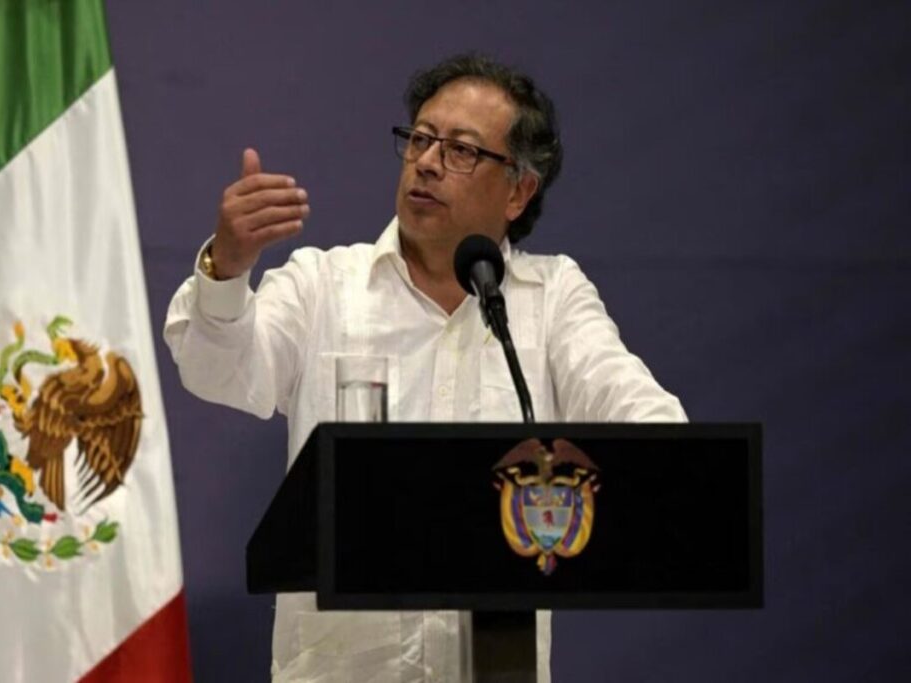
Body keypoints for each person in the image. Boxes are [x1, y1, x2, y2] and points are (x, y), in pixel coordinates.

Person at [164, 53, 686, 683]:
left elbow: (649, 428)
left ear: (519, 190)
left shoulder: (551, 299)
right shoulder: (324, 284)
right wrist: (227, 267)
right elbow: (216, 368)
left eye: (462, 150)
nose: (428, 161)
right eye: (420, 139)